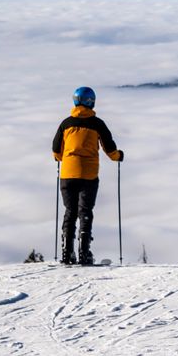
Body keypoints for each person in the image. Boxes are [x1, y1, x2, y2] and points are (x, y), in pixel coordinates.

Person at [52, 87, 123, 265]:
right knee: (85, 211)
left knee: (70, 211)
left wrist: (65, 158)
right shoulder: (97, 124)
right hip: (89, 175)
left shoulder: (66, 124)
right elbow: (110, 149)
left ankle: (66, 253)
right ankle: (84, 253)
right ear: (91, 101)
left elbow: (56, 151)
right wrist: (118, 156)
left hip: (68, 174)